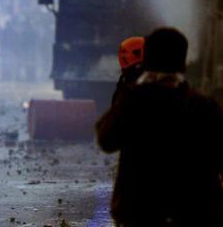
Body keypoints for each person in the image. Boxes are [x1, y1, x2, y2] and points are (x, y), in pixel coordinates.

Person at [96, 28, 223, 227]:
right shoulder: (204, 106)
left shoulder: (134, 102)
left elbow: (106, 139)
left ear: (148, 61)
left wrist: (132, 90)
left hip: (140, 213)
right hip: (197, 214)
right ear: (182, 62)